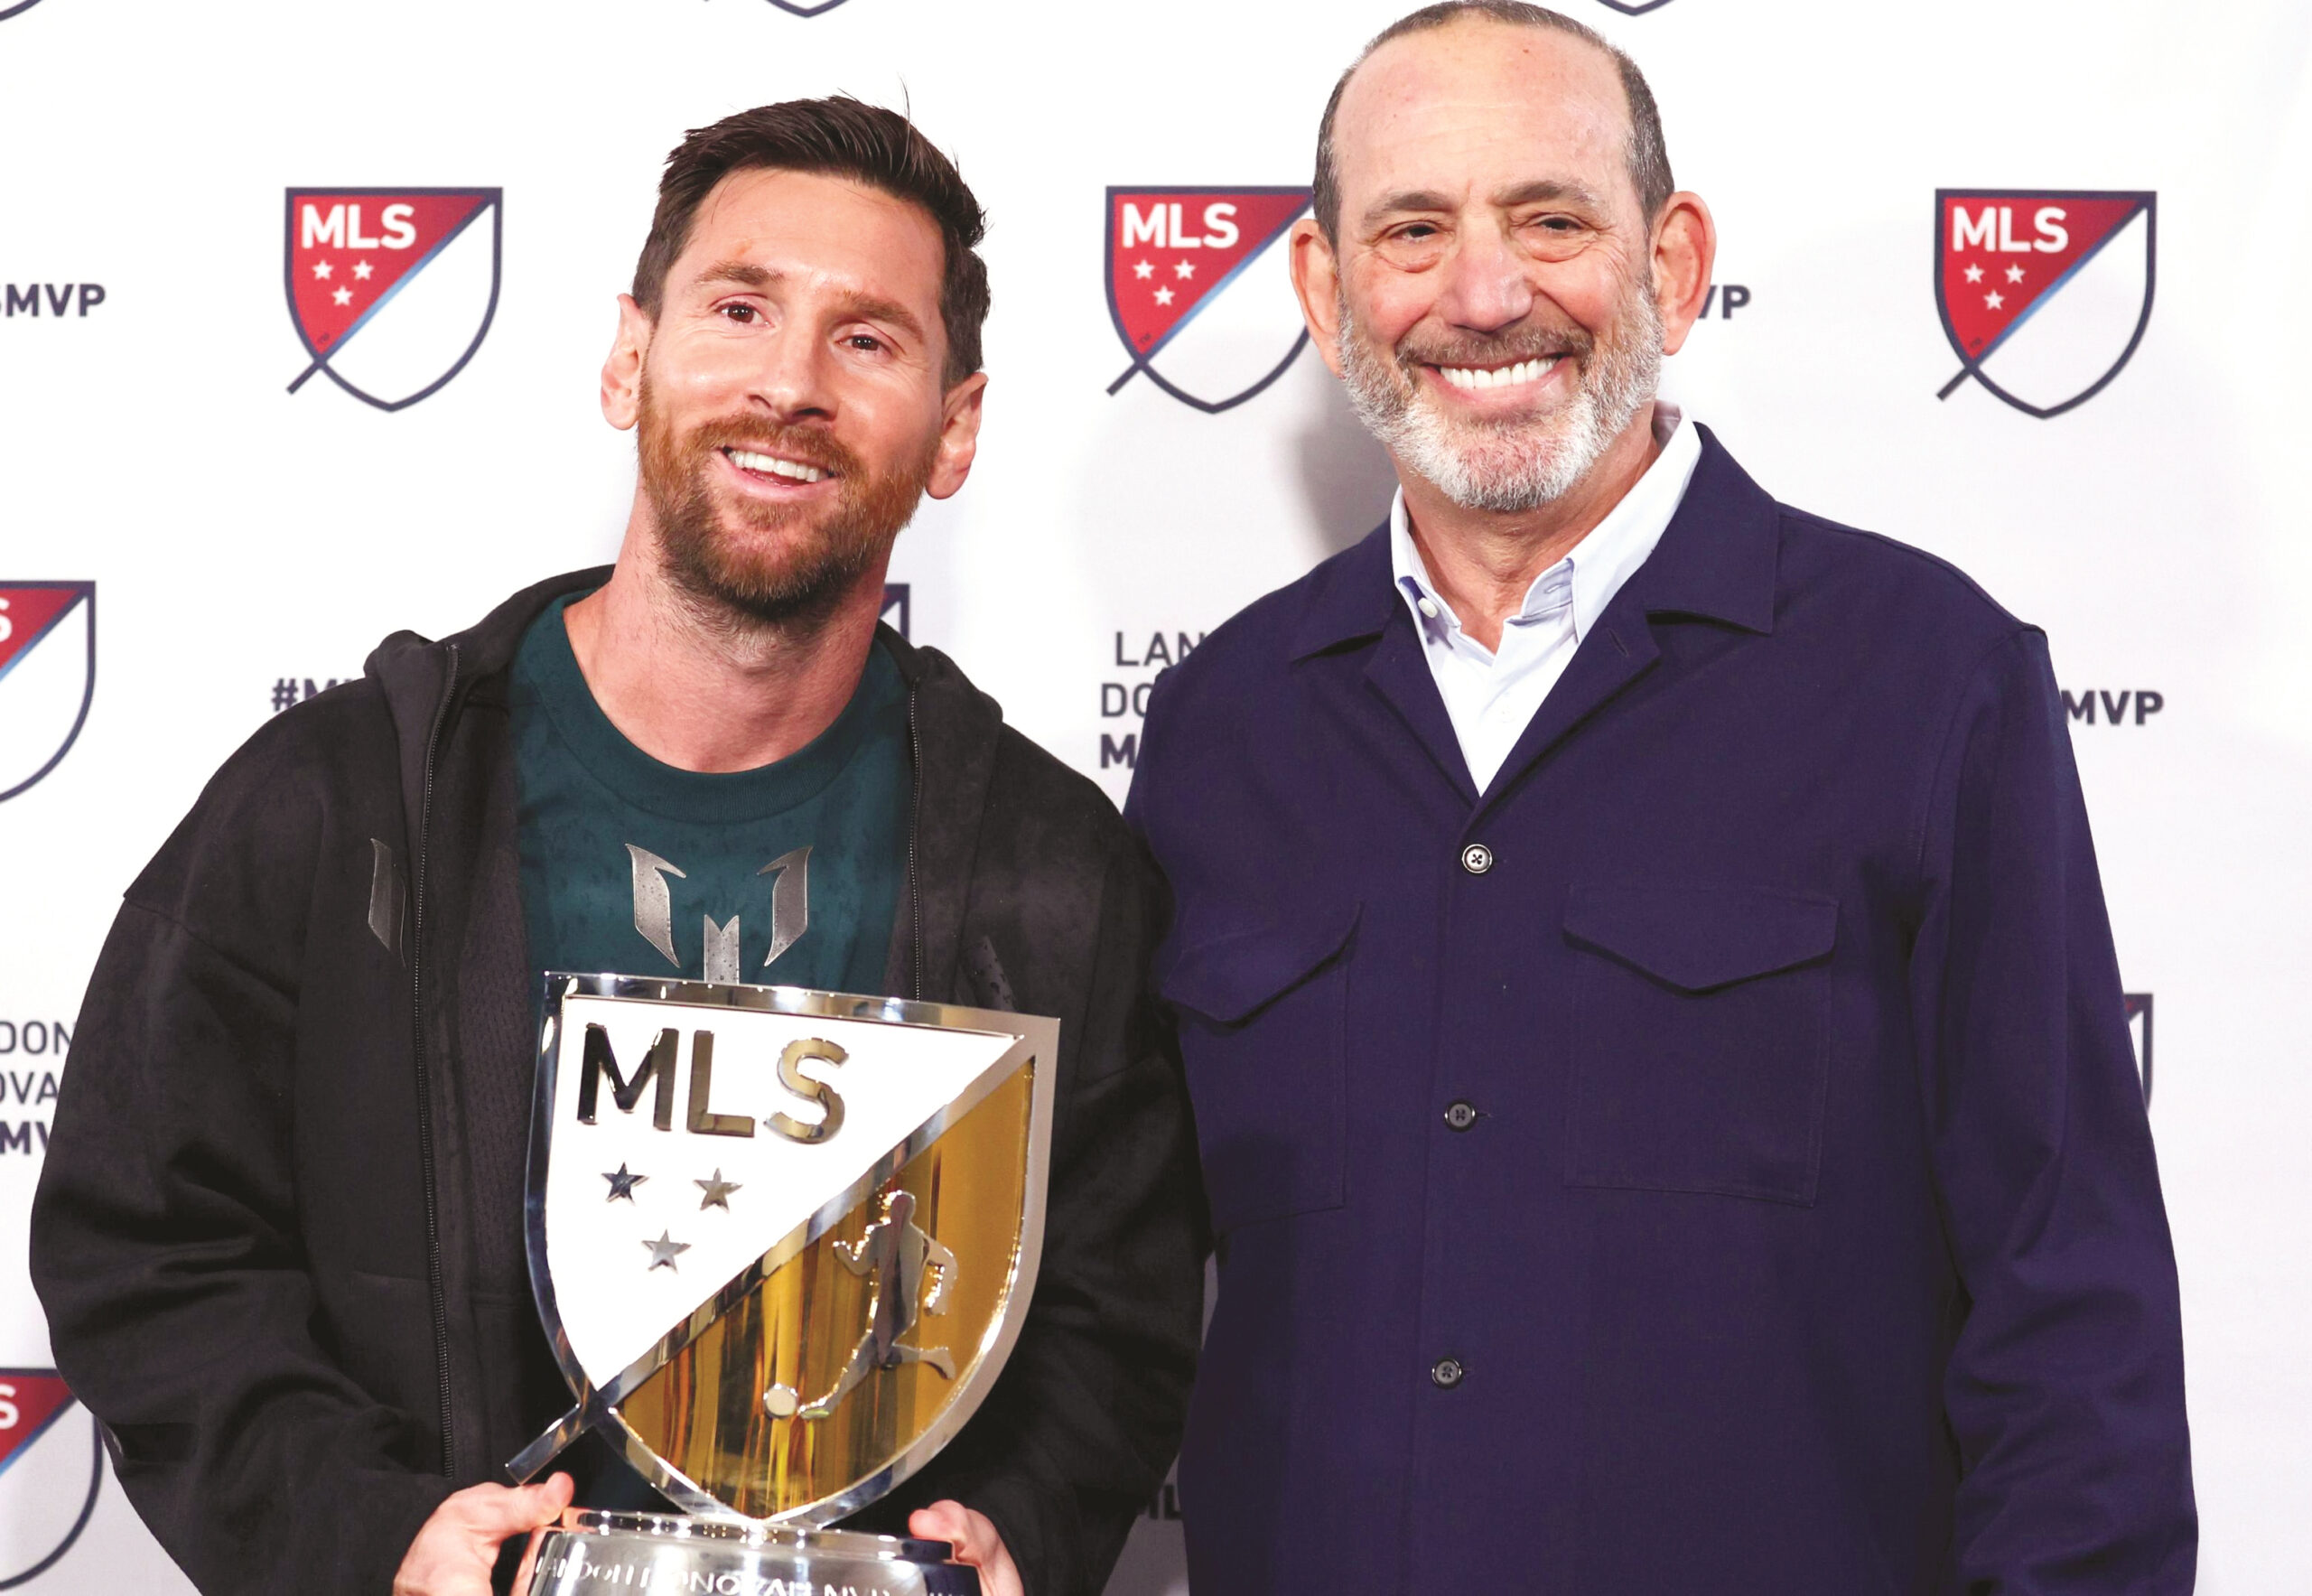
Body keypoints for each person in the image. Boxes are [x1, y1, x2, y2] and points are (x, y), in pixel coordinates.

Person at [33, 99, 1202, 1596]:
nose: (789, 383)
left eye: (867, 339)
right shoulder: (338, 808)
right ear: (627, 358)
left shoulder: (1054, 875)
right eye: (738, 308)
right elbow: (148, 1247)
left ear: (954, 427)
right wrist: (376, 1534)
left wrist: (1022, 1520)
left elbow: (1119, 1308)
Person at [1123, 5, 2195, 1592]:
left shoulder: (1928, 681)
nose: (1484, 295)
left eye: (1551, 220)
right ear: (1325, 294)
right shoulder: (1223, 728)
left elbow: (2072, 1317)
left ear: (1675, 264)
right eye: (1413, 231)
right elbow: (1115, 1280)